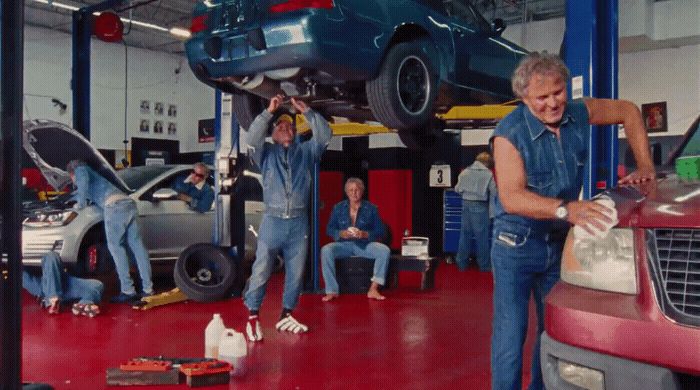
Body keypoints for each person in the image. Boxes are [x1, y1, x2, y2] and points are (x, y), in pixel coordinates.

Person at [489, 52, 656, 390]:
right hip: (515, 244)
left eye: (558, 92)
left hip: (557, 240)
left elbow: (628, 111)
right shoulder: (508, 134)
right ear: (524, 98)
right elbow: (512, 197)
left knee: (551, 330)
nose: (553, 103)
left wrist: (646, 167)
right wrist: (567, 209)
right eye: (542, 97)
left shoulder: (578, 112)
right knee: (511, 333)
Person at [242, 94, 331, 341]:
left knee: (296, 272)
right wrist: (269, 112)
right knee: (261, 269)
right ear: (273, 134)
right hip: (273, 220)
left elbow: (325, 135)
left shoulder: (306, 152)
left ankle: (286, 314)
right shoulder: (265, 153)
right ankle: (252, 316)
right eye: (280, 126)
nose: (286, 128)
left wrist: (308, 112)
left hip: (298, 222)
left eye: (290, 125)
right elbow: (251, 138)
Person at [67, 160, 154, 304]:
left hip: (114, 207)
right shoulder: (97, 177)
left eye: (71, 177)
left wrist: (79, 204)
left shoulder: (81, 169)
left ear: (71, 173)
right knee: (138, 247)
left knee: (116, 248)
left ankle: (128, 290)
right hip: (128, 203)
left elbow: (81, 187)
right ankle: (148, 289)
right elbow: (80, 192)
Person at [321, 178, 390, 302]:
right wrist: (340, 233)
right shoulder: (338, 208)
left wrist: (364, 234)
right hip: (343, 245)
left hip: (364, 245)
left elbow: (380, 231)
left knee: (384, 250)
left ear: (362, 191)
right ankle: (332, 291)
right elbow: (329, 229)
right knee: (326, 250)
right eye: (351, 190)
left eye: (357, 190)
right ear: (346, 192)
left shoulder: (371, 208)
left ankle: (373, 289)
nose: (354, 193)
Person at [22, 252, 104, 317]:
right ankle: (52, 299)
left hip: (64, 281)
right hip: (41, 285)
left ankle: (83, 304)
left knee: (97, 285)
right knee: (51, 256)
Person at [454, 152, 496, 272]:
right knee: (482, 238)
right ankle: (484, 266)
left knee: (464, 236)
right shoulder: (488, 174)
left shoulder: (465, 172)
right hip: (480, 206)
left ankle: (461, 263)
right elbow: (494, 192)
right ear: (487, 163)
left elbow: (457, 189)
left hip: (465, 204)